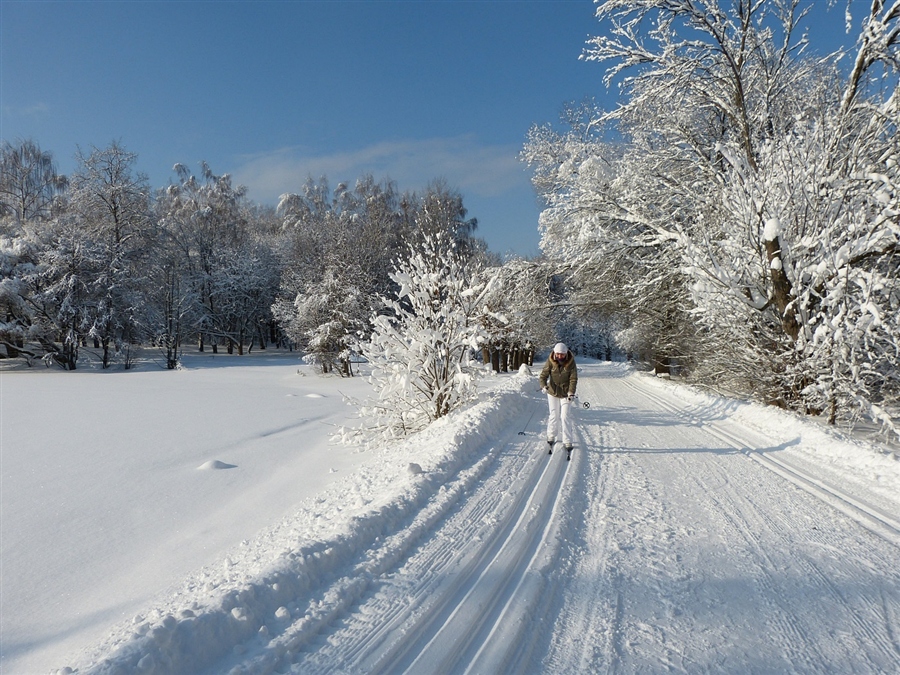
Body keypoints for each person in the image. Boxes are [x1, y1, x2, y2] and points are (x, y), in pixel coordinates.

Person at [539, 342, 577, 460]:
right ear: (555, 353)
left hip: (566, 394)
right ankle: (551, 436)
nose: (560, 356)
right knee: (554, 415)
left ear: (566, 354)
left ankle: (567, 440)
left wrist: (571, 392)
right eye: (558, 354)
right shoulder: (550, 361)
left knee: (565, 416)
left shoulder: (570, 363)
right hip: (553, 392)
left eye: (562, 354)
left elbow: (573, 378)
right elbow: (543, 376)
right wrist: (544, 386)